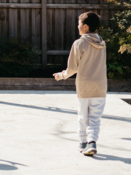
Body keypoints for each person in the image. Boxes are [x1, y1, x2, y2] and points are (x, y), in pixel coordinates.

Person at [53, 12, 107, 156]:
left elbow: (73, 68)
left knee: (83, 116)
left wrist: (61, 75)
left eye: (79, 24)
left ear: (85, 26)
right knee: (95, 117)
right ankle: (92, 142)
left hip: (84, 86)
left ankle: (83, 142)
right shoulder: (102, 44)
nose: (77, 27)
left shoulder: (79, 43)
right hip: (100, 87)